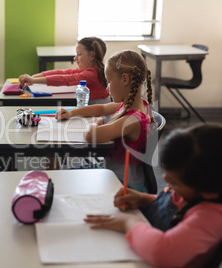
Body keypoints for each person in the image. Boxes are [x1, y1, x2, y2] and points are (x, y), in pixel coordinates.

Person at [84, 124, 222, 268]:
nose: (166, 180)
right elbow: (172, 204)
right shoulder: (194, 192)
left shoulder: (210, 218)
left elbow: (162, 252)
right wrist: (145, 200)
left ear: (210, 192)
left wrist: (129, 223)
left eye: (175, 183)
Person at [55, 50, 154, 191]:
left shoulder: (132, 120)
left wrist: (97, 122)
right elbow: (101, 108)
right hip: (110, 173)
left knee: (62, 179)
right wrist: (71, 113)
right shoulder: (138, 104)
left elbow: (91, 135)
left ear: (125, 79)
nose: (107, 88)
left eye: (108, 81)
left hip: (122, 185)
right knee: (63, 175)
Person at [18, 37, 110, 105]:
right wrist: (34, 77)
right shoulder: (89, 70)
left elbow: (65, 79)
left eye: (79, 54)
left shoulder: (91, 74)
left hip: (101, 115)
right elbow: (64, 73)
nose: (75, 58)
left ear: (92, 55)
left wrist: (33, 80)